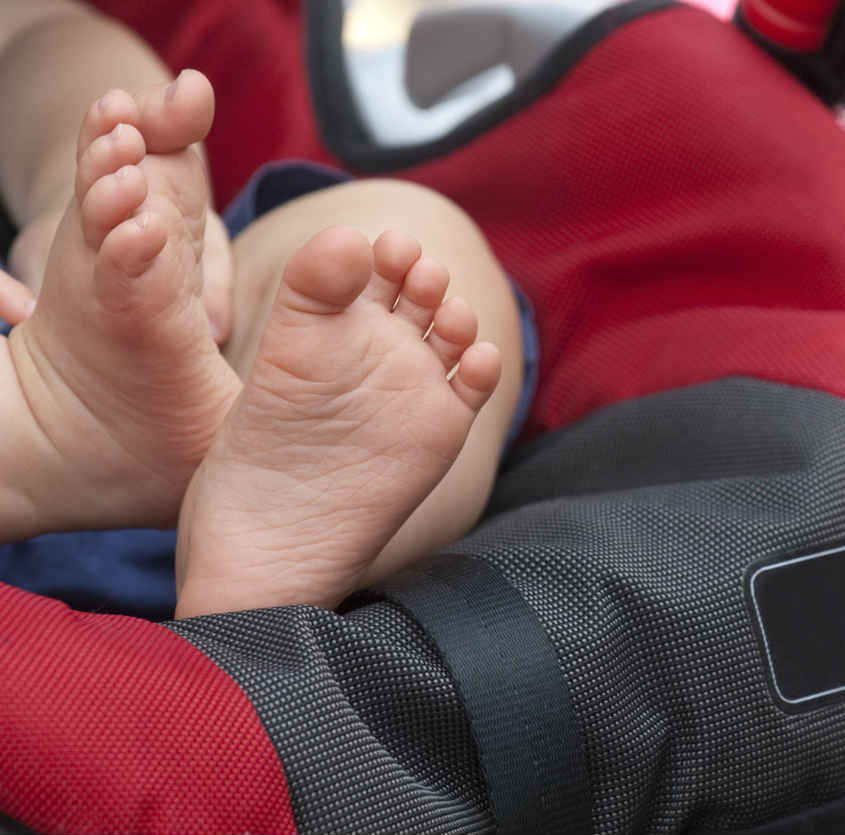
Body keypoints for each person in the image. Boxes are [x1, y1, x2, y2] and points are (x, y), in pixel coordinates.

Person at [0, 0, 530, 618]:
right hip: (40, 396)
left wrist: (75, 196)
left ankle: (277, 523)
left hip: (155, 381)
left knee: (404, 240)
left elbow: (33, 44)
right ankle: (41, 431)